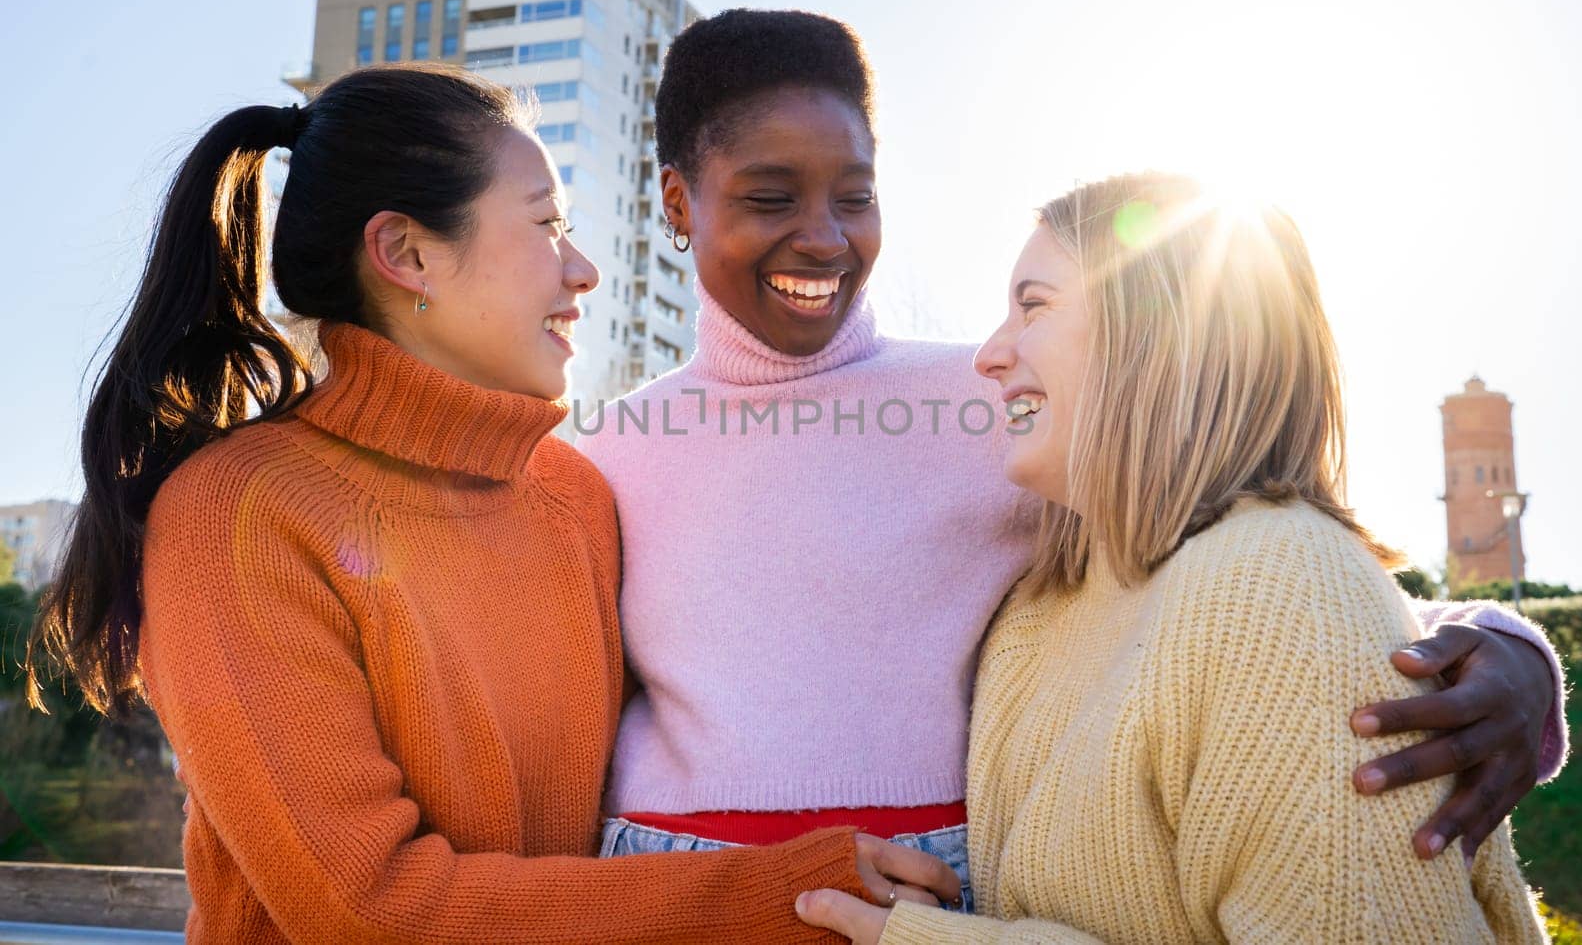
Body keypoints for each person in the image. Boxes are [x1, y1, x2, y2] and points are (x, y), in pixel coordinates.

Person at [577, 10, 1567, 911]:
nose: (824, 237)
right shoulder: (607, 452)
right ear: (677, 200)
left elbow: (1233, 564)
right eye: (767, 196)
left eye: (855, 196)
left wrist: (1503, 645)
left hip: (930, 884)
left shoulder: (999, 405)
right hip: (676, 877)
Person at [26, 63, 957, 944]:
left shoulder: (575, 495)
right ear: (406, 253)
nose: (582, 269)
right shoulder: (238, 519)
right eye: (546, 224)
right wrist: (785, 896)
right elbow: (372, 910)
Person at [796, 173, 1548, 943]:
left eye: (1034, 304)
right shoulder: (1043, 608)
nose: (988, 355)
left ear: (1154, 330)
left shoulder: (1282, 586)